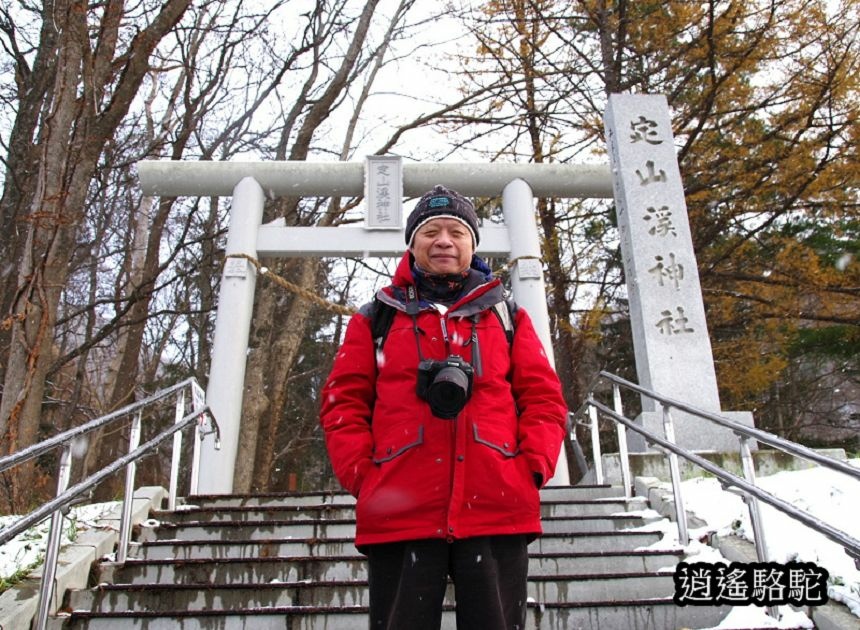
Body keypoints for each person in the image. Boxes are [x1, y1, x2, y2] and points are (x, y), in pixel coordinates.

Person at [319, 185, 567, 630]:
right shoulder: (376, 317)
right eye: (430, 232)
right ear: (412, 244)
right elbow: (343, 403)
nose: (444, 241)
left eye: (457, 232)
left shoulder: (507, 316)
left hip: (497, 502)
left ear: (473, 244)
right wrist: (363, 475)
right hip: (399, 508)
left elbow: (544, 399)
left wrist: (531, 467)